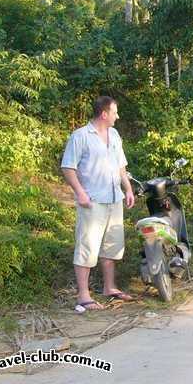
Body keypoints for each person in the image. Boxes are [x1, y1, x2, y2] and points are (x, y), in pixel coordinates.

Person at [61, 96, 135, 311]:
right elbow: (68, 168)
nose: (117, 116)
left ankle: (109, 287)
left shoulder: (114, 134)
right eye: (115, 112)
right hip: (92, 201)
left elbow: (121, 166)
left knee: (112, 246)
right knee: (87, 246)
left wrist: (128, 189)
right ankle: (83, 295)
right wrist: (80, 193)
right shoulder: (81, 136)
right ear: (104, 113)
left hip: (114, 199)